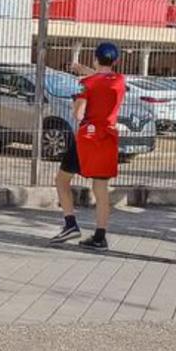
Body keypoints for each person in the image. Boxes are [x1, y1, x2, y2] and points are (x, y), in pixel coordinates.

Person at [49, 42, 127, 251]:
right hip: (108, 137)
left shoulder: (87, 84)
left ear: (95, 58)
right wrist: (82, 69)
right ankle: (100, 236)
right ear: (116, 61)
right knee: (100, 189)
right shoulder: (119, 81)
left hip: (88, 137)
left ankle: (70, 224)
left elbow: (78, 114)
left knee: (62, 179)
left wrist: (77, 100)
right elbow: (103, 78)